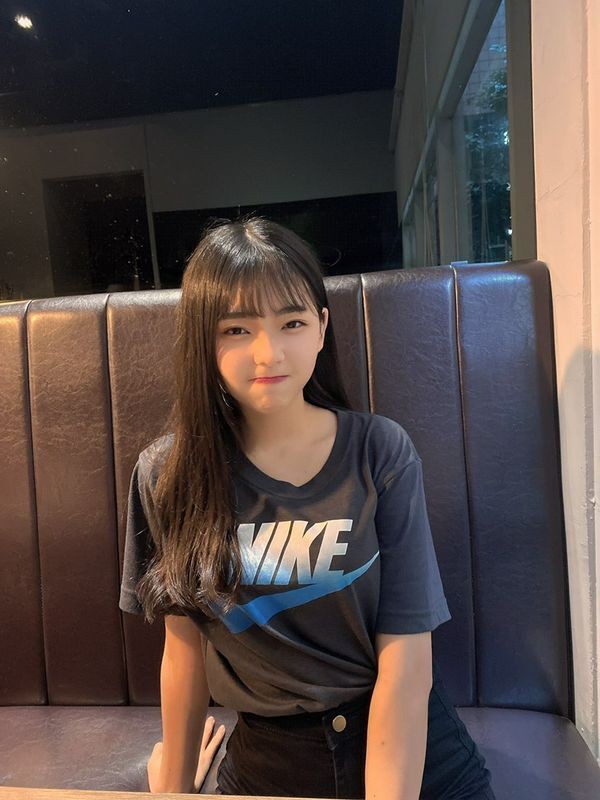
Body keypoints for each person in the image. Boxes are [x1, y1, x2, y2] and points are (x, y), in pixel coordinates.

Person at [118, 215, 496, 799]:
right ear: (202, 341)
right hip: (268, 766)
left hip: (412, 760)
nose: (269, 352)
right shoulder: (166, 477)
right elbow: (184, 651)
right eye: (236, 329)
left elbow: (406, 657)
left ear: (321, 328)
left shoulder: (379, 452)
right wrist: (173, 792)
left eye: (291, 322)